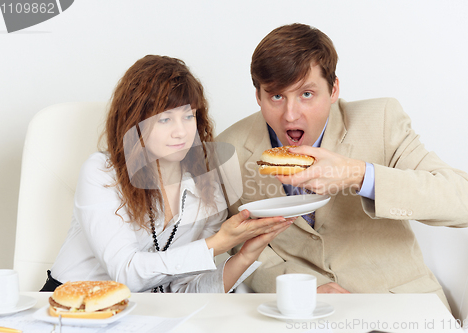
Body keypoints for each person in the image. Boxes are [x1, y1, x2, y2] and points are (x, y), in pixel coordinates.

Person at [216, 23, 468, 308]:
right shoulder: (229, 150)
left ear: (333, 90)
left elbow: (463, 203)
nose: (290, 115)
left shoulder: (381, 121)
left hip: (398, 305)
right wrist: (300, 288)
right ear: (259, 96)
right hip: (300, 313)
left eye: (306, 94)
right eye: (276, 96)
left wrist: (358, 174)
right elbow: (221, 249)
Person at [41, 55, 292, 293]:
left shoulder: (207, 188)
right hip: (68, 306)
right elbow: (124, 272)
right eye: (164, 120)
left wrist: (246, 255)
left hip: (141, 312)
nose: (181, 132)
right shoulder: (102, 173)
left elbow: (181, 290)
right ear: (133, 121)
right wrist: (217, 244)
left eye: (188, 116)